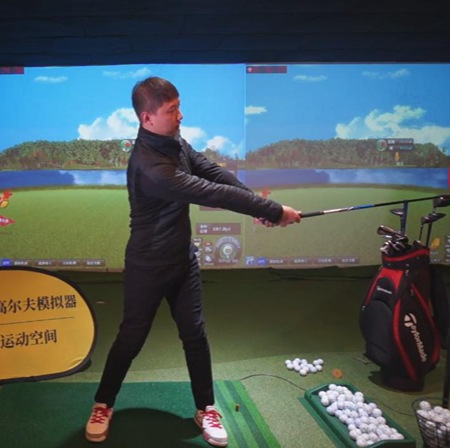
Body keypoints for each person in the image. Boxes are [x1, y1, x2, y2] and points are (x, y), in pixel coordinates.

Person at [84, 76, 302, 447]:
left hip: (182, 261)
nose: (180, 116)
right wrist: (274, 210)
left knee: (195, 335)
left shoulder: (175, 143)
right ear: (147, 118)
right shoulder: (150, 166)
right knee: (131, 338)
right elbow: (212, 192)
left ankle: (206, 408)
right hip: (147, 266)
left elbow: (213, 172)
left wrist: (256, 208)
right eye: (172, 111)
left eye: (179, 107)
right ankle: (103, 403)